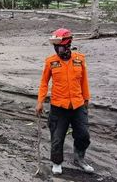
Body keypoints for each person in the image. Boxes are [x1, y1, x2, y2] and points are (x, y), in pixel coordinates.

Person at [35, 28, 94, 175]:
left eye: (59, 47)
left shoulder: (79, 59)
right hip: (58, 106)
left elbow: (84, 81)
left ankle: (79, 158)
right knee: (57, 137)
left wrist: (86, 100)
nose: (57, 50)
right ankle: (56, 162)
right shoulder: (51, 62)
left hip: (78, 105)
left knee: (83, 135)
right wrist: (40, 101)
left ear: (67, 45)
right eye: (55, 47)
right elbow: (44, 83)